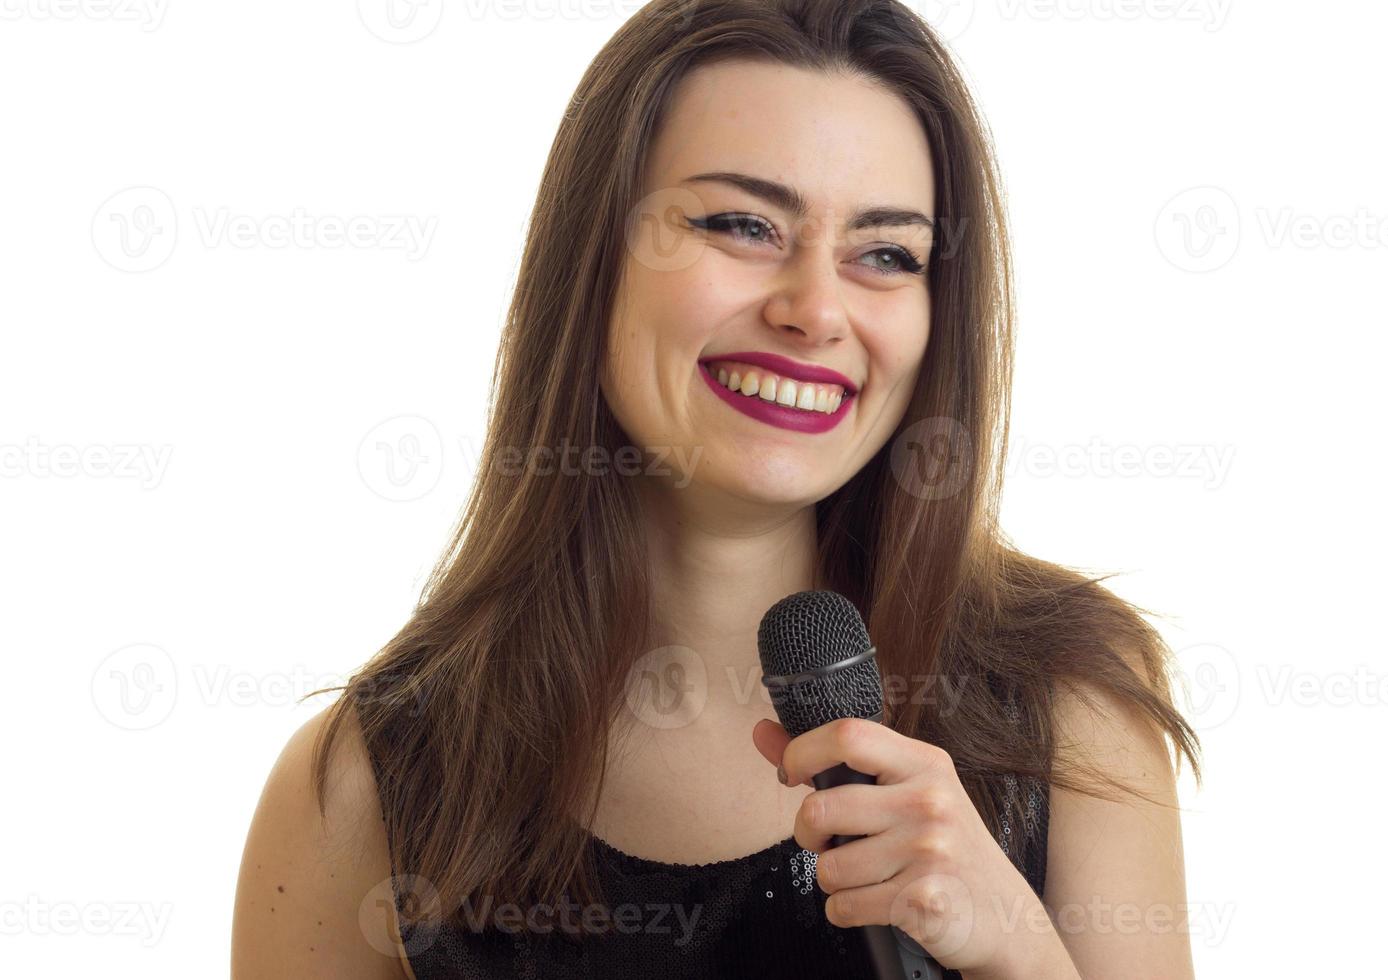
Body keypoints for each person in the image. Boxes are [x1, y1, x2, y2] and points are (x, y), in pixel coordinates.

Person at [232, 1, 1201, 977]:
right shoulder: (368, 784)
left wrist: (1023, 952)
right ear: (594, 259)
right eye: (744, 224)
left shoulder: (1072, 706)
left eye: (886, 253)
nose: (816, 309)